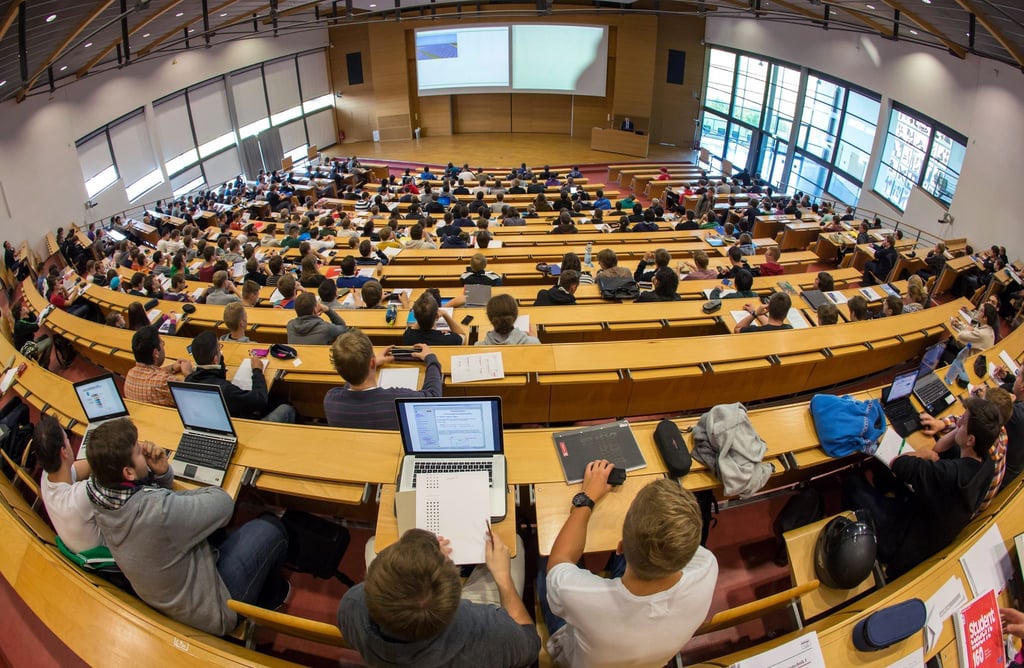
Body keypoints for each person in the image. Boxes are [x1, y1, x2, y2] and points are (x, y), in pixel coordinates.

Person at [86, 417, 290, 636]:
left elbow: (156, 505)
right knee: (271, 527)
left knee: (214, 529)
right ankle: (271, 598)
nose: (144, 448)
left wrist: (162, 474)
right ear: (128, 473)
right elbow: (223, 504)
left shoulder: (98, 492)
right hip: (212, 610)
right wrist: (174, 494)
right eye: (138, 450)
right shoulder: (158, 511)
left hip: (167, 594)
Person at [539, 465, 717, 668]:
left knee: (544, 558)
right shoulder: (708, 567)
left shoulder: (575, 595)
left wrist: (586, 498)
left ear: (620, 546)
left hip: (574, 656)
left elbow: (559, 560)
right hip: (652, 659)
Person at [842, 397, 1000, 578]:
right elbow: (940, 450)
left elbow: (899, 464)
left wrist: (922, 453)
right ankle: (880, 490)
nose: (958, 422)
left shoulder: (949, 474)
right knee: (887, 477)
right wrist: (959, 430)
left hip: (903, 542)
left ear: (971, 439)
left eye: (962, 422)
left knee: (852, 484)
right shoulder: (987, 464)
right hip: (927, 520)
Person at [337, 528, 539, 667]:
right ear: (455, 599)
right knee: (515, 545)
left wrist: (417, 557)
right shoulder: (485, 632)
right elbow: (530, 644)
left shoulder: (352, 605)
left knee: (373, 544)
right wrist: (503, 577)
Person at [324, 329, 442, 429]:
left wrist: (364, 364)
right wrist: (431, 359)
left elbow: (351, 376)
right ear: (372, 362)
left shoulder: (331, 400)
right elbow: (433, 395)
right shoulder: (397, 401)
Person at [185, 331, 296, 423]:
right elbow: (260, 400)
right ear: (215, 359)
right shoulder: (224, 389)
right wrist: (257, 370)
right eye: (219, 348)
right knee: (286, 409)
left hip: (219, 418)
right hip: (243, 425)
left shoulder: (189, 380)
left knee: (275, 398)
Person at [35, 415, 103, 554]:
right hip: (109, 554)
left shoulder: (47, 477)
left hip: (83, 550)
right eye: (67, 439)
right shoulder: (80, 496)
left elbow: (84, 466)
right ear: (63, 451)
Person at [124, 326, 192, 407]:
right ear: (156, 353)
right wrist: (189, 374)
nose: (163, 345)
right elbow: (194, 397)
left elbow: (149, 374)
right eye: (161, 342)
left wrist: (172, 368)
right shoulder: (165, 382)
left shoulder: (130, 374)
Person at [402, 292, 467, 346]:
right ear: (437, 316)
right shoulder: (448, 339)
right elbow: (463, 336)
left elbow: (413, 328)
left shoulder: (407, 336)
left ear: (415, 316)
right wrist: (445, 315)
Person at [11, 299, 52, 368]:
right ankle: (44, 365)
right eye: (22, 308)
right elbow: (36, 327)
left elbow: (34, 320)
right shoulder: (20, 325)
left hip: (29, 343)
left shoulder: (21, 320)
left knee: (45, 336)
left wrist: (29, 312)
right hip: (27, 351)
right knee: (49, 340)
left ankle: (42, 360)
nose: (24, 308)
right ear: (20, 312)